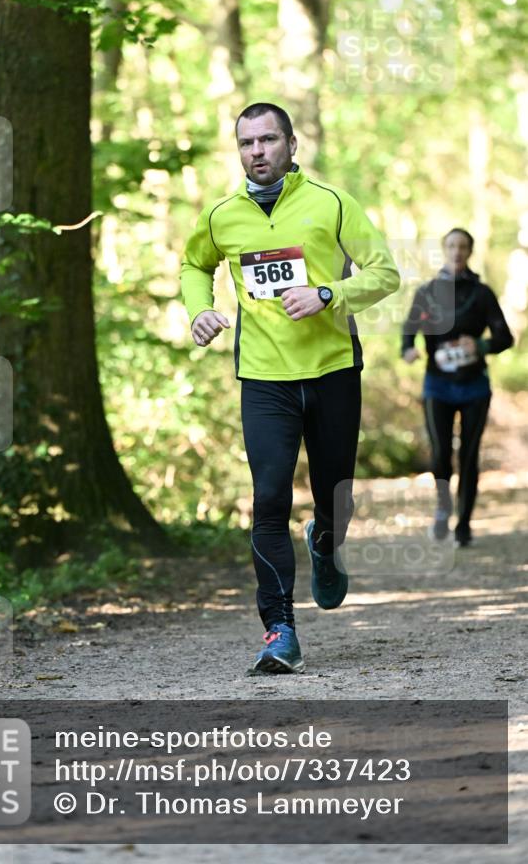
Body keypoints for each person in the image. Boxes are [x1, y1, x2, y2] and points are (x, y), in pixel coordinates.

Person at [180, 102, 400, 674]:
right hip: (264, 379)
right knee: (269, 499)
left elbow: (385, 271)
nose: (257, 151)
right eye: (247, 142)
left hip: (331, 372)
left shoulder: (330, 203)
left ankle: (327, 541)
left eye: (268, 140)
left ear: (291, 144)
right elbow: (192, 266)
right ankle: (280, 630)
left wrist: (329, 295)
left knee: (336, 499)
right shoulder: (222, 216)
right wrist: (199, 310)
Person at [401, 228, 513, 547]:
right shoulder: (427, 291)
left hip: (475, 385)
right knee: (440, 455)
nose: (457, 251)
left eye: (463, 246)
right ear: (444, 250)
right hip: (437, 384)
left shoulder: (482, 293)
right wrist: (408, 349)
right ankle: (442, 509)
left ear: (470, 251)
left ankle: (463, 524)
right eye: (451, 246)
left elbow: (505, 338)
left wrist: (479, 344)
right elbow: (409, 329)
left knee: (469, 455)